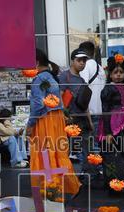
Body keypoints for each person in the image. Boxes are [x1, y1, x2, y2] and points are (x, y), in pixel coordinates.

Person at [28, 49, 79, 198]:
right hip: (56, 118)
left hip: (45, 120)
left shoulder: (39, 79)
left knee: (44, 154)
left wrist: (30, 124)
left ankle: (49, 191)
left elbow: (38, 105)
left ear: (36, 63)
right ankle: (61, 188)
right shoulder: (51, 77)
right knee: (57, 153)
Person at [98, 55, 124, 192]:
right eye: (116, 72)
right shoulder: (108, 89)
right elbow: (105, 111)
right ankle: (114, 182)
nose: (119, 75)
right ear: (110, 74)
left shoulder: (123, 87)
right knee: (114, 154)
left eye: (121, 72)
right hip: (114, 124)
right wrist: (108, 132)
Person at [59, 47, 92, 160]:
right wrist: (64, 116)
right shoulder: (65, 76)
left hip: (82, 120)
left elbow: (85, 105)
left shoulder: (82, 80)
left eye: (84, 61)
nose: (82, 63)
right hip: (69, 120)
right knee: (66, 150)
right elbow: (59, 96)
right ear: (72, 61)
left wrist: (90, 122)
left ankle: (88, 174)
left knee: (85, 149)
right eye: (79, 60)